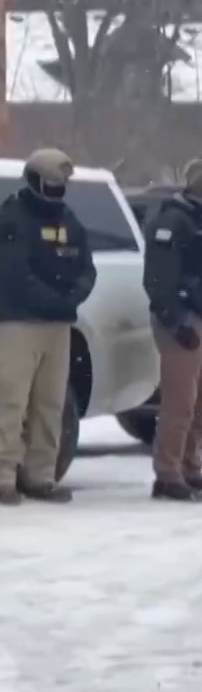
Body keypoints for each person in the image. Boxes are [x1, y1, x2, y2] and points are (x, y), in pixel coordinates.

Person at [0, 147, 96, 505]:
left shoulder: (69, 219)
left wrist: (73, 296)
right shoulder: (12, 217)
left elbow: (87, 268)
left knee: (50, 403)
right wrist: (56, 300)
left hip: (58, 326)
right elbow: (16, 273)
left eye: (62, 184)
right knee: (12, 402)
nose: (57, 190)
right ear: (34, 180)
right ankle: (3, 478)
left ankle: (41, 476)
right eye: (51, 183)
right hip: (19, 322)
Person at [140, 158, 202, 500]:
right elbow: (158, 281)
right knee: (180, 401)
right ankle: (167, 473)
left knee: (198, 403)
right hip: (180, 320)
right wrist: (177, 322)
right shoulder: (173, 220)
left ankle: (190, 467)